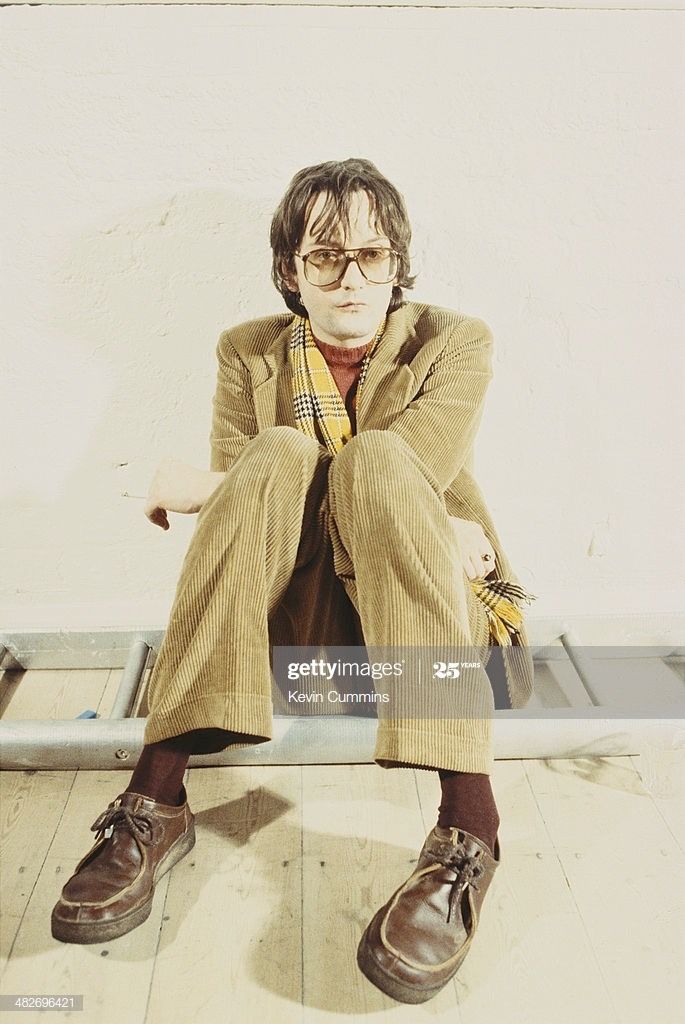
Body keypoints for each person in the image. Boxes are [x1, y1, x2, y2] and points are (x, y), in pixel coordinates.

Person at [51, 158, 535, 1004]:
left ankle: (469, 829)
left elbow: (405, 476)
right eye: (325, 258)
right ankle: (155, 804)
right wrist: (233, 486)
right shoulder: (246, 352)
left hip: (422, 607)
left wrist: (196, 486)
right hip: (295, 623)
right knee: (276, 454)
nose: (351, 278)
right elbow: (254, 504)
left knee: (379, 460)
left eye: (372, 256)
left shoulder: (455, 342)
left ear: (398, 263)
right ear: (290, 270)